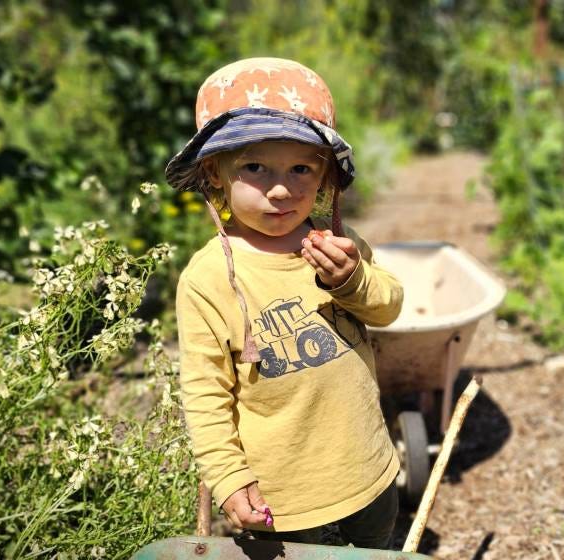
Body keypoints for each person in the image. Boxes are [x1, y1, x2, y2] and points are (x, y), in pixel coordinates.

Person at [165, 57, 404, 548]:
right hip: (284, 500)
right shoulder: (209, 279)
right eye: (254, 167)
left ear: (324, 177)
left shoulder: (338, 243)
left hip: (370, 474)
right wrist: (229, 478)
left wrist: (352, 280)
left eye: (301, 169)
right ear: (215, 172)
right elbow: (206, 396)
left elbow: (388, 307)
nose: (281, 189)